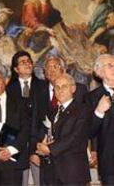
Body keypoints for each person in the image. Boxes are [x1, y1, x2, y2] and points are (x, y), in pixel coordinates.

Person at [36, 74, 91, 185]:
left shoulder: (83, 110)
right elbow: (44, 134)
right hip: (51, 172)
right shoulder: (51, 112)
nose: (60, 90)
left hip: (72, 173)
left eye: (64, 86)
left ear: (73, 88)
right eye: (57, 87)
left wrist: (49, 149)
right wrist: (40, 145)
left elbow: (75, 137)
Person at [7, 51, 47, 186]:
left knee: (43, 181)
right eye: (23, 62)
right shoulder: (8, 90)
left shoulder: (43, 86)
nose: (27, 63)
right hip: (17, 145)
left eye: (29, 61)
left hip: (39, 144)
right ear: (16, 69)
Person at [88, 54, 114, 185]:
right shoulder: (92, 98)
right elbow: (89, 131)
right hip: (110, 164)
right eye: (110, 65)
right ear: (99, 72)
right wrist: (99, 111)